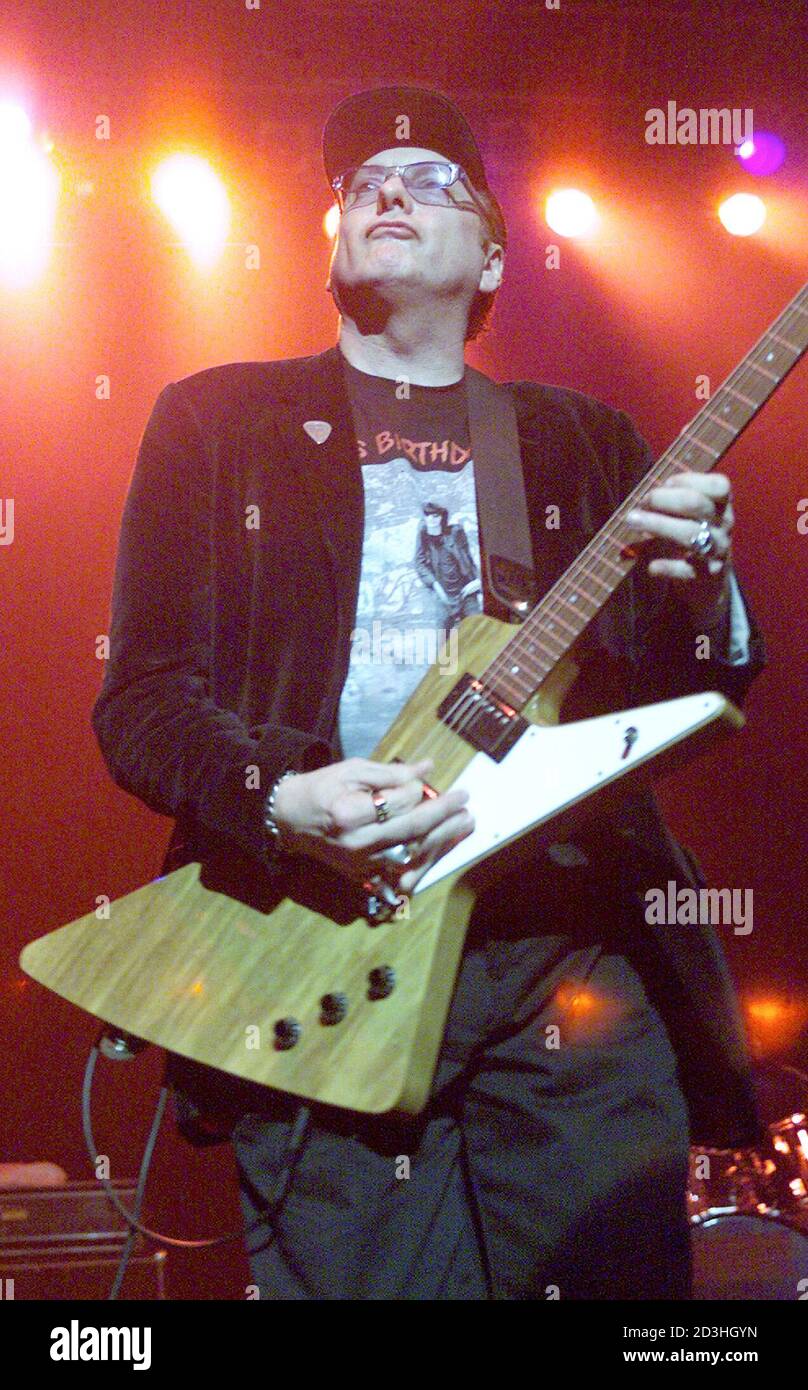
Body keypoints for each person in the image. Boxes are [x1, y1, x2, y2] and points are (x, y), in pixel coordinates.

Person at [91, 85, 767, 1300]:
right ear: (335, 236)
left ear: (496, 253)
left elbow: (679, 706)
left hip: (564, 963)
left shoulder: (580, 438)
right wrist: (283, 794)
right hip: (323, 946)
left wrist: (707, 590)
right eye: (362, 184)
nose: (387, 188)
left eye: (430, 179)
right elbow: (141, 698)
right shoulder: (218, 419)